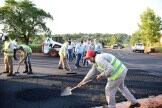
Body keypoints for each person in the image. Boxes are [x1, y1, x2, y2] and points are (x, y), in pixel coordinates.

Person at [76, 50, 141, 108]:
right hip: (122, 70)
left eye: (89, 58)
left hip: (117, 74)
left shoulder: (99, 59)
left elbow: (110, 69)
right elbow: (91, 72)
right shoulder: (96, 61)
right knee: (122, 88)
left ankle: (111, 106)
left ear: (92, 57)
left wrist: (101, 75)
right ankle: (134, 102)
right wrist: (83, 81)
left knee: (109, 90)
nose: (88, 60)